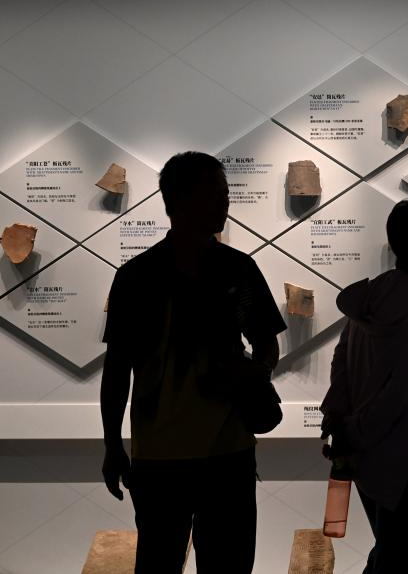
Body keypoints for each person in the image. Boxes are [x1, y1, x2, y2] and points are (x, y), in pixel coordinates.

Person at [100, 151, 287, 574]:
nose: (225, 202)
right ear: (180, 200)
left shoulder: (237, 269)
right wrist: (112, 446)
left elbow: (267, 345)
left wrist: (254, 373)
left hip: (221, 450)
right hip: (166, 455)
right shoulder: (137, 277)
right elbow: (117, 371)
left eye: (226, 193)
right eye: (216, 194)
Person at [320, 198, 408, 574]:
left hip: (363, 451)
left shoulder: (373, 295)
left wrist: (343, 424)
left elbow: (341, 362)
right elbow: (400, 395)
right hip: (404, 453)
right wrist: (357, 430)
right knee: (402, 551)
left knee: (391, 546)